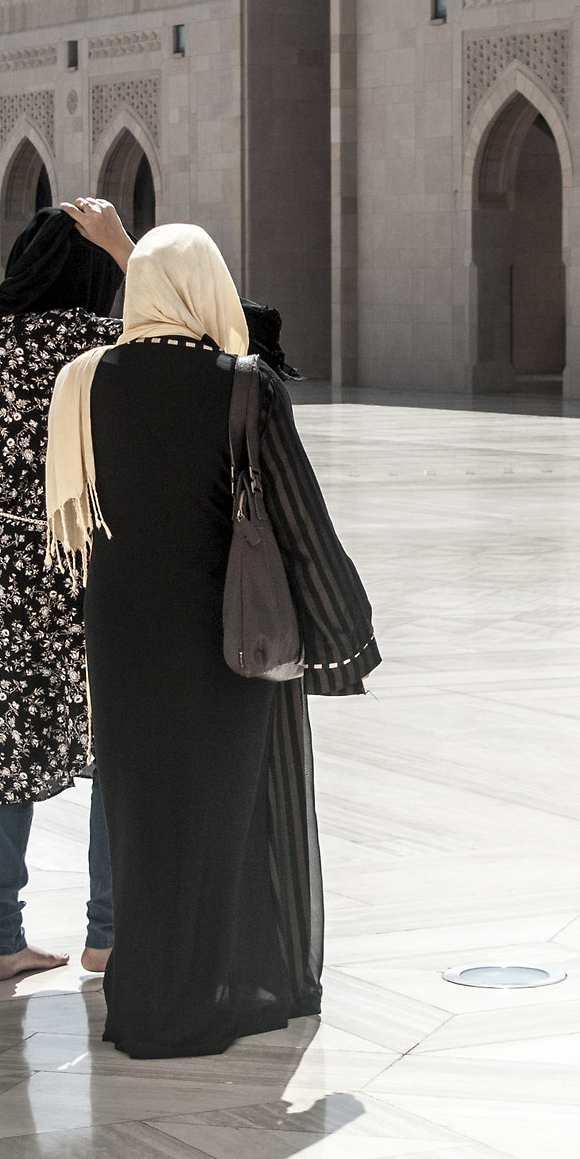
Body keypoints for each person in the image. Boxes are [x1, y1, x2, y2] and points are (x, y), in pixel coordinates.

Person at [45, 224, 378, 1059]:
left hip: (121, 638)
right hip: (221, 641)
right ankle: (218, 990)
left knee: (141, 815)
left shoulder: (82, 382)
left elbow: (75, 524)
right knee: (222, 815)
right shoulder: (243, 384)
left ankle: (145, 998)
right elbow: (297, 518)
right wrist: (342, 626)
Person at [0, 198, 133, 983]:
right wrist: (126, 248)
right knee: (110, 749)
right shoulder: (103, 346)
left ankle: (4, 939)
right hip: (82, 563)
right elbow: (202, 337)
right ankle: (106, 935)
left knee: (7, 753)